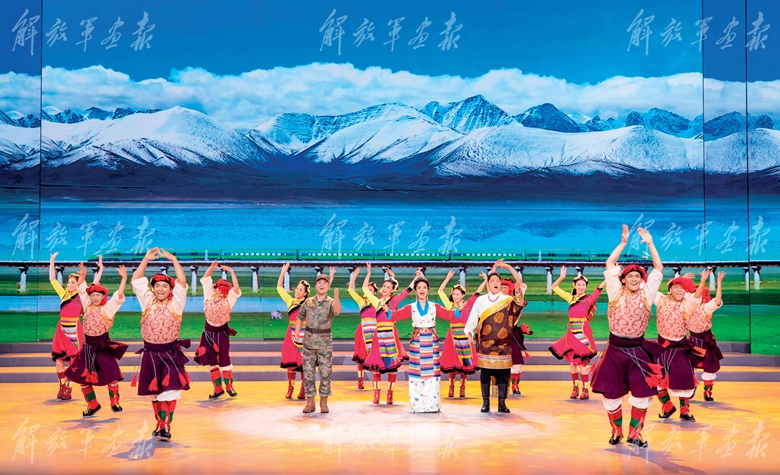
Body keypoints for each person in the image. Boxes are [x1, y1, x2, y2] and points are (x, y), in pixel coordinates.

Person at [590, 226, 664, 449]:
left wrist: (650, 243)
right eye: (629, 275)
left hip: (638, 352)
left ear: (642, 280)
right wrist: (623, 243)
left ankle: (635, 433)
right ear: (623, 279)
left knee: (642, 395)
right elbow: (610, 264)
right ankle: (616, 431)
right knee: (611, 396)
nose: (633, 278)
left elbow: (658, 268)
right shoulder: (615, 291)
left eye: (637, 276)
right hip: (615, 352)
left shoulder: (647, 294)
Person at [131, 247, 190, 441]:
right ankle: (160, 424)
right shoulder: (147, 300)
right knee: (154, 394)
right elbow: (136, 280)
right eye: (157, 286)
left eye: (165, 286)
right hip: (150, 353)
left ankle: (165, 427)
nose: (161, 289)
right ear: (153, 288)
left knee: (170, 391)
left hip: (169, 354)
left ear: (170, 290)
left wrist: (174, 259)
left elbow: (182, 281)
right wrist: (146, 259)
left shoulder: (176, 303)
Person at [64, 263, 128, 416]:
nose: (95, 297)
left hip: (103, 346)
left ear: (103, 296)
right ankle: (92, 405)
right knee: (82, 378)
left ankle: (115, 402)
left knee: (112, 376)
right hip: (88, 348)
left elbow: (118, 296)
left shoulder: (108, 308)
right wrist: (83, 275)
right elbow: (81, 288)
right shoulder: (87, 305)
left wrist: (124, 278)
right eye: (93, 295)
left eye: (98, 295)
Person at [465, 260, 528, 414]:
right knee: (485, 374)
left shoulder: (507, 300)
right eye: (492, 280)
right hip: (485, 345)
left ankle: (502, 403)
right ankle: (485, 403)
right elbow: (472, 319)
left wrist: (517, 292)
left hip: (503, 345)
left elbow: (519, 304)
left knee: (503, 374)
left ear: (500, 285)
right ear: (488, 284)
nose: (495, 283)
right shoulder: (481, 300)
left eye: (498, 281)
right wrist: (469, 332)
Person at [49, 253, 103, 400]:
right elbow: (52, 279)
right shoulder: (63, 295)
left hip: (75, 329)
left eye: (73, 282)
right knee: (59, 361)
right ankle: (62, 387)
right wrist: (52, 261)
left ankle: (69, 387)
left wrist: (101, 269)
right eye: (69, 282)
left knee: (74, 362)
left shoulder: (82, 297)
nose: (70, 285)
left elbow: (94, 284)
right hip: (62, 330)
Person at [655, 270, 706, 422]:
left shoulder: (687, 303)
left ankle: (685, 411)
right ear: (669, 289)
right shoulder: (661, 299)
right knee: (656, 379)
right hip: (662, 347)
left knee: (685, 380)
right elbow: (647, 287)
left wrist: (702, 282)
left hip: (679, 348)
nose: (679, 290)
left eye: (682, 288)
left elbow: (696, 297)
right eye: (675, 288)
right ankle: (667, 406)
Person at [362, 264, 417, 405]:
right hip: (378, 335)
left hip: (390, 335)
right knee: (376, 364)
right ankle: (376, 393)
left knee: (392, 364)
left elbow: (407, 290)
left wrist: (417, 277)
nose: (385, 288)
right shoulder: (377, 301)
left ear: (392, 290)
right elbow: (364, 289)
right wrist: (368, 272)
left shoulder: (394, 300)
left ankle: (390, 394)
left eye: (388, 287)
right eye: (384, 286)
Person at [549, 266, 605, 400]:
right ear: (574, 285)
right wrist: (561, 277)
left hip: (582, 332)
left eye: (583, 285)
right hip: (571, 333)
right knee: (573, 363)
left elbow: (599, 289)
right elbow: (554, 288)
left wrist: (609, 276)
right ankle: (575, 388)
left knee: (582, 363)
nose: (581, 287)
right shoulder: (571, 298)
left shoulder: (588, 299)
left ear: (586, 286)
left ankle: (585, 390)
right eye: (578, 285)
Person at [293, 268, 342, 413]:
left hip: (324, 343)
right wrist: (297, 331)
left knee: (325, 373)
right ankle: (310, 403)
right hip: (309, 342)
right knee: (308, 373)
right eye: (319, 282)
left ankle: (323, 403)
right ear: (315, 286)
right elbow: (300, 317)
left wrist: (337, 297)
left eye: (325, 283)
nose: (322, 285)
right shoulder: (308, 302)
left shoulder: (331, 302)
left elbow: (337, 310)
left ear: (328, 286)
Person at [194, 262, 242, 399]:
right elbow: (206, 278)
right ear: (215, 288)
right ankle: (217, 388)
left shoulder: (229, 299)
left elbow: (236, 289)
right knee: (211, 361)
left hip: (222, 334)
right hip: (208, 334)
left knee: (225, 360)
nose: (221, 293)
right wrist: (211, 267)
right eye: (219, 289)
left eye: (223, 291)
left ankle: (229, 387)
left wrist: (232, 272)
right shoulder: (208, 294)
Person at [438, 270, 486, 398]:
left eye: (457, 294)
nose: (455, 296)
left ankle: (463, 386)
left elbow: (477, 293)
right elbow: (440, 291)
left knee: (465, 362)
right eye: (453, 294)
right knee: (452, 362)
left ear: (463, 295)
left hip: (464, 336)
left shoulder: (467, 305)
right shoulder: (449, 305)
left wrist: (485, 280)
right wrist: (447, 278)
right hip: (452, 336)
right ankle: (451, 385)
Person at [687, 271, 725, 402]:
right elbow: (674, 290)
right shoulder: (688, 306)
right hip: (692, 340)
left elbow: (717, 301)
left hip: (705, 340)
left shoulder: (706, 308)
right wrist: (683, 279)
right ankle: (691, 387)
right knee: (690, 365)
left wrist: (719, 283)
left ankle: (707, 391)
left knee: (709, 366)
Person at [277, 263, 309, 400]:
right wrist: (282, 272)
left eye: (300, 289)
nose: (297, 291)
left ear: (305, 293)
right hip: (290, 334)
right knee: (290, 361)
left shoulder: (309, 304)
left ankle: (303, 389)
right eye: (297, 288)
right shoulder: (290, 302)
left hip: (304, 335)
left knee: (303, 363)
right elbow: (279, 288)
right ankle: (290, 388)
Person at [348, 267, 378, 389]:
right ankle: (360, 380)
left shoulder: (377, 302)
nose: (368, 292)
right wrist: (355, 275)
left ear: (374, 293)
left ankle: (375, 380)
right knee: (361, 356)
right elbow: (350, 289)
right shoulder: (361, 302)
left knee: (374, 355)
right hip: (362, 330)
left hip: (374, 330)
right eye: (367, 290)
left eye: (371, 290)